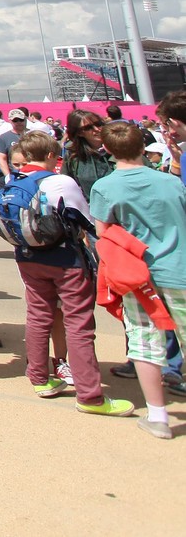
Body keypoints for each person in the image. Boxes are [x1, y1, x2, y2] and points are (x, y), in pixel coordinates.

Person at [0, 130, 130, 416]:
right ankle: (90, 395)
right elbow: (87, 220)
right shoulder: (60, 181)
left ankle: (40, 378)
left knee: (38, 316)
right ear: (48, 156)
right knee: (79, 324)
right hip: (66, 259)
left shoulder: (12, 181)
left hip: (29, 258)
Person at [89, 120, 186, 439]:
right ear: (143, 146)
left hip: (137, 273)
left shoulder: (105, 187)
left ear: (108, 149)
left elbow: (102, 231)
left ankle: (158, 416)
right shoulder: (169, 182)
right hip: (179, 267)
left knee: (145, 341)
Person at [64, 109, 114, 200]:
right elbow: (66, 184)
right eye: (88, 128)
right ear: (79, 133)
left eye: (98, 124)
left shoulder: (119, 148)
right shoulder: (73, 155)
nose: (97, 129)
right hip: (91, 210)